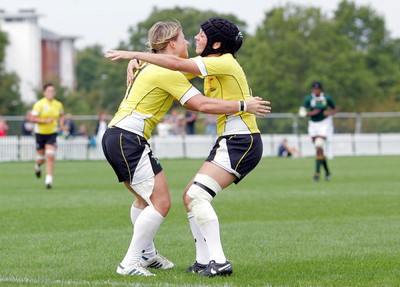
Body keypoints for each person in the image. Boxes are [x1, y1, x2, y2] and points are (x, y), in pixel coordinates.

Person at [103, 20, 270, 277]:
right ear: (171, 43)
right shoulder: (181, 67)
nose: (191, 40)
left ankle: (208, 260)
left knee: (187, 197)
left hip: (239, 140)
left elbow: (177, 67)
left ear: (215, 44)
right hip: (129, 138)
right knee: (175, 199)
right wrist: (135, 59)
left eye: (199, 35)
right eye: (185, 37)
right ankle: (139, 261)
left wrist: (135, 57)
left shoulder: (221, 62)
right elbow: (181, 77)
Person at [299, 81, 337, 181]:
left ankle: (317, 173)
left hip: (324, 124)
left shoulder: (326, 98)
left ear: (321, 89)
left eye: (318, 89)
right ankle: (327, 172)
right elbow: (301, 112)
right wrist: (311, 113)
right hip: (313, 125)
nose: (316, 91)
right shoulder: (309, 98)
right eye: (314, 89)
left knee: (319, 145)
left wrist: (329, 113)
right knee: (319, 149)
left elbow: (335, 108)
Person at [30, 83, 64, 189]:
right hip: (40, 133)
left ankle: (48, 180)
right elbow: (32, 118)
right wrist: (45, 121)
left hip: (52, 133)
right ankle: (37, 166)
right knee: (41, 159)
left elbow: (61, 115)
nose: (50, 93)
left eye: (52, 91)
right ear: (44, 92)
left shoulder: (58, 104)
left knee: (50, 156)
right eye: (48, 91)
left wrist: (62, 125)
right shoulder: (39, 104)